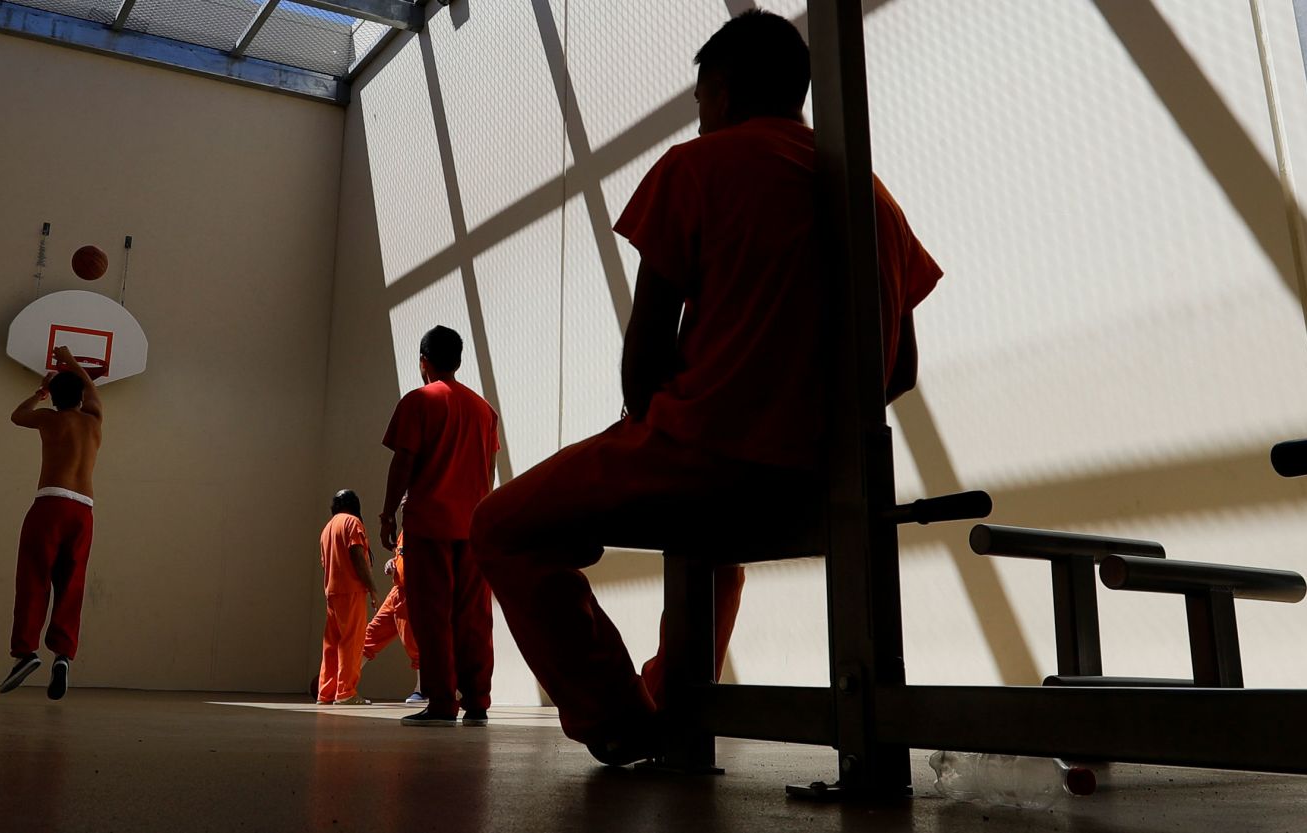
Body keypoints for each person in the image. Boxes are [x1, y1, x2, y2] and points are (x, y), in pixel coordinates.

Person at [470, 10, 944, 764]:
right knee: (720, 553)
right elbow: (903, 368)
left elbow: (645, 353)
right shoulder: (874, 199)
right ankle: (664, 692)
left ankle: (622, 715)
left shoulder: (698, 167)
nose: (698, 122)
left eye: (700, 107)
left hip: (700, 454)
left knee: (498, 524)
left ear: (719, 92)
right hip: (821, 475)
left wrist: (656, 424)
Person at [380, 326, 500, 726]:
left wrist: (386, 514)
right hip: (473, 527)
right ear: (460, 361)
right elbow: (490, 469)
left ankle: (443, 703)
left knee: (433, 617)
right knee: (474, 616)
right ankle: (478, 702)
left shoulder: (418, 401)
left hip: (430, 524)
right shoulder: (484, 410)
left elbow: (403, 462)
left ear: (423, 362)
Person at [0, 346, 104, 700]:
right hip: (83, 512)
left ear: (55, 399)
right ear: (80, 397)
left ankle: (25, 652)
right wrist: (71, 362)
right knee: (71, 583)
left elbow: (17, 416)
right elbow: (92, 390)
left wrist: (39, 392)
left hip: (50, 505)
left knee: (33, 577)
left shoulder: (48, 418)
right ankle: (63, 655)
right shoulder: (94, 421)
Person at [317, 489, 379, 706]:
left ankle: (326, 692)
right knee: (352, 643)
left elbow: (325, 562)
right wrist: (371, 587)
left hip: (331, 591)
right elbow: (357, 555)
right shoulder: (352, 523)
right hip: (351, 589)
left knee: (332, 644)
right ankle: (346, 692)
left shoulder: (328, 527)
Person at [361, 531, 425, 703]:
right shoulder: (404, 532)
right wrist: (392, 562)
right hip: (397, 591)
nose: (404, 504)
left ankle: (423, 689)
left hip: (414, 591)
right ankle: (345, 684)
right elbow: (401, 556)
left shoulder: (426, 527)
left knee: (414, 643)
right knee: (371, 634)